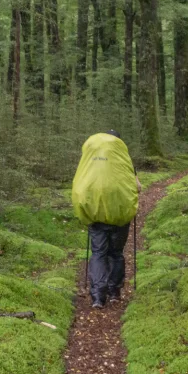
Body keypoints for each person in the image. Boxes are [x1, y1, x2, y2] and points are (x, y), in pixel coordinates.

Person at [71, 130, 141, 308]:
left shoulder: (90, 162)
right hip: (119, 215)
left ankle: (97, 297)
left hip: (96, 215)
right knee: (116, 253)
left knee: (98, 253)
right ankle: (114, 292)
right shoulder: (123, 161)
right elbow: (137, 187)